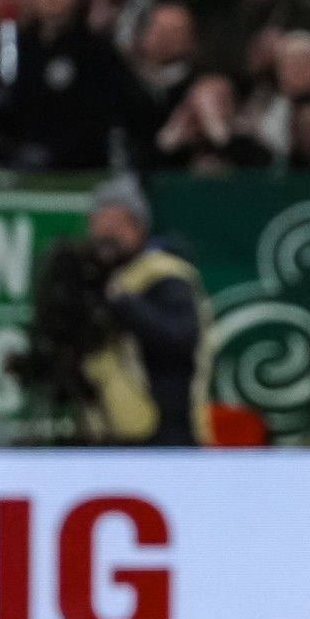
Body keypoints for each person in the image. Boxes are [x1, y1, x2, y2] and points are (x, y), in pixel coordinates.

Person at [83, 178, 212, 447]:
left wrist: (123, 303)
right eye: (99, 224)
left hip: (167, 429)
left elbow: (180, 338)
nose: (106, 235)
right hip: (109, 429)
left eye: (117, 225)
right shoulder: (95, 281)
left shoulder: (164, 275)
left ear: (139, 228)